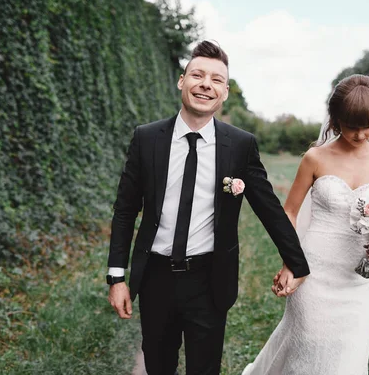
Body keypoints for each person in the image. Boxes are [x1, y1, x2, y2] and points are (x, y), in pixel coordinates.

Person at [106, 40, 310, 375]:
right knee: (158, 365)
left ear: (225, 92)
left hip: (209, 279)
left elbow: (268, 208)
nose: (206, 84)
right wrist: (116, 277)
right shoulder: (147, 139)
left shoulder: (240, 145)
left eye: (216, 79)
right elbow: (125, 210)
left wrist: (296, 263)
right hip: (155, 277)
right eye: (197, 75)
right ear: (181, 81)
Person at [243, 74, 369, 375]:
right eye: (352, 126)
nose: (361, 134)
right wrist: (292, 262)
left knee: (346, 353)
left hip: (357, 278)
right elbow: (289, 211)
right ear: (336, 119)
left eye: (368, 125)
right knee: (306, 347)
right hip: (312, 271)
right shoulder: (315, 158)